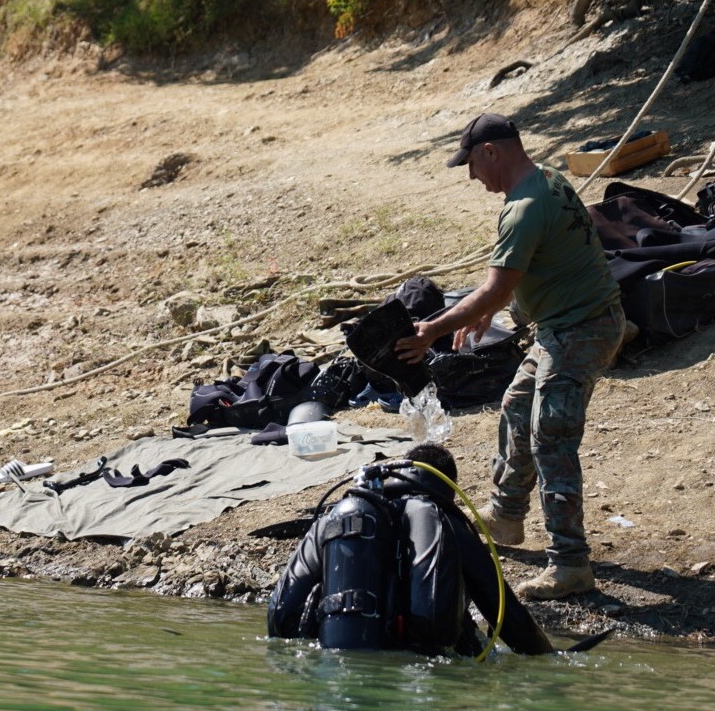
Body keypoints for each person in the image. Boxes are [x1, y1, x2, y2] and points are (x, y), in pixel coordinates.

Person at [394, 113, 624, 599]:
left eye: (472, 165)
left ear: (491, 152)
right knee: (517, 406)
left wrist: (431, 329)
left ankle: (570, 564)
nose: (474, 178)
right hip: (564, 326)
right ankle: (506, 519)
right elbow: (548, 264)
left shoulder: (524, 206)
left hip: (582, 330)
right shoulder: (550, 181)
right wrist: (501, 308)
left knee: (551, 437)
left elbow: (497, 283)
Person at [266, 443, 556, 656]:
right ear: (448, 488)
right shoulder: (444, 519)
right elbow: (502, 608)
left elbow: (283, 608)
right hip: (420, 658)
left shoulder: (342, 515)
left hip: (329, 650)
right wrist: (548, 655)